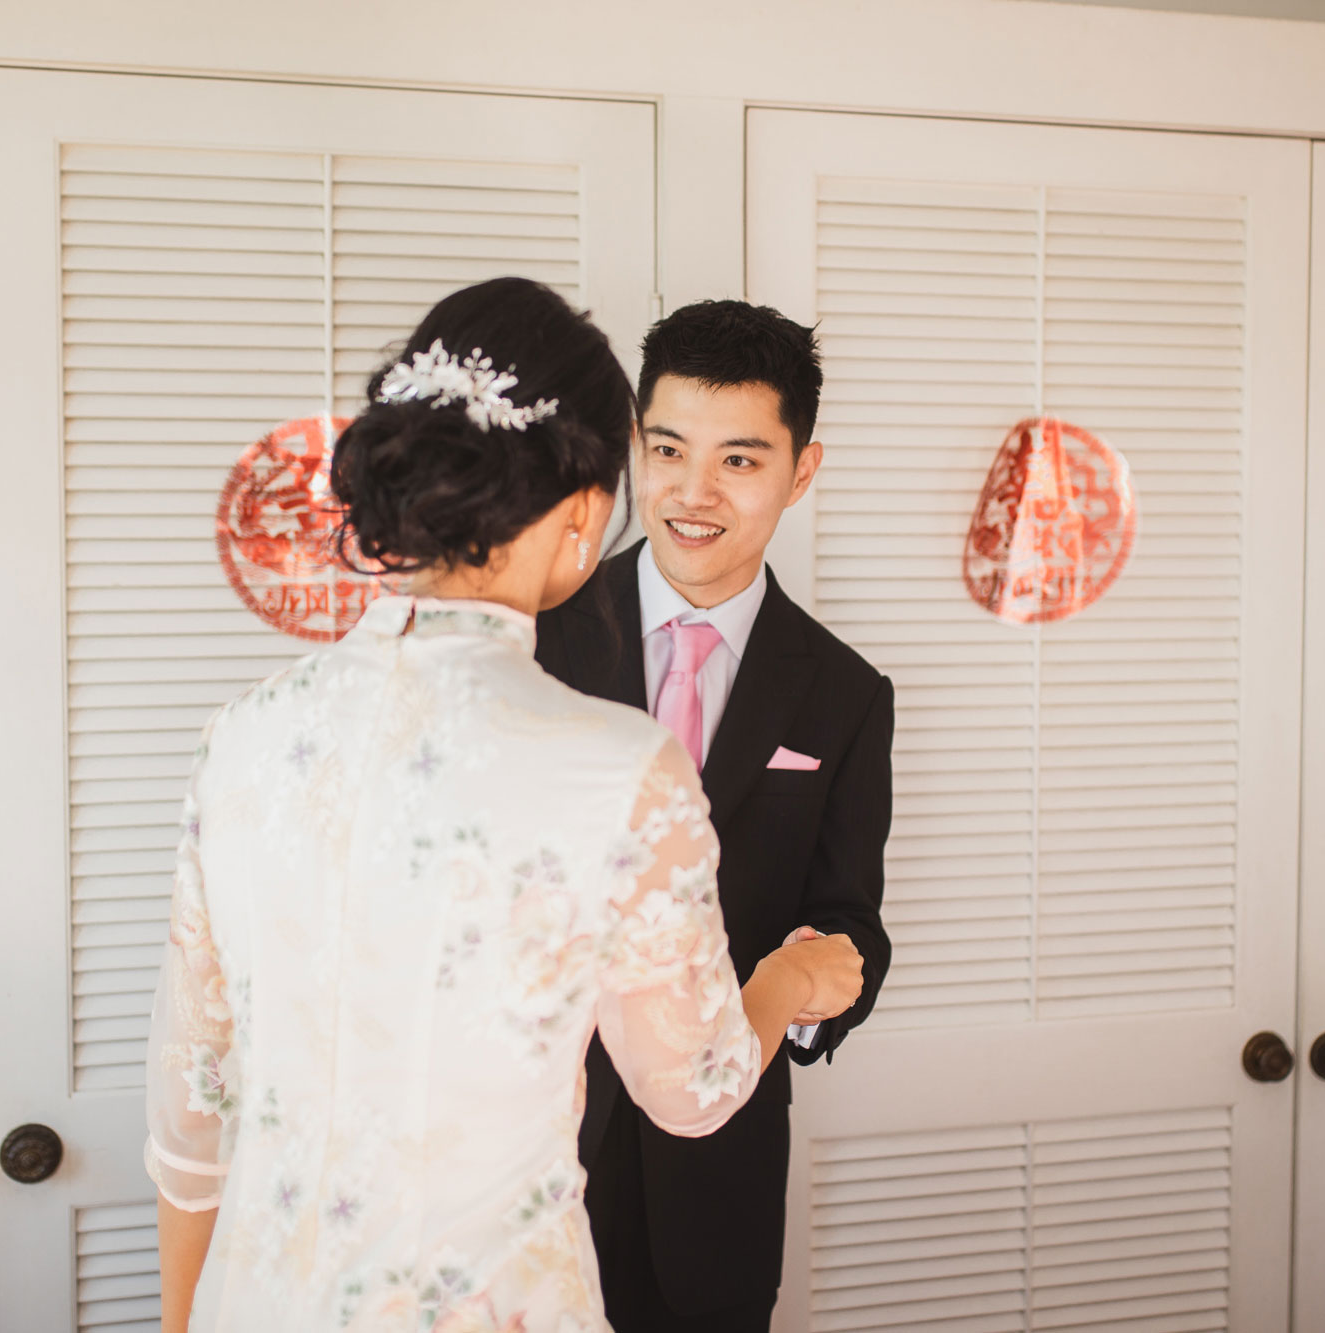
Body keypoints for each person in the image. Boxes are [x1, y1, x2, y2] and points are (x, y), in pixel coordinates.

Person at [144, 277, 866, 1332]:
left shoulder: (243, 735)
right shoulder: (619, 766)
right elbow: (697, 1086)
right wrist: (785, 978)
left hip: (251, 1302)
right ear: (581, 513)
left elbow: (189, 1113)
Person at [535, 300, 895, 1332]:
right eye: (666, 450)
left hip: (720, 1166)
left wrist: (810, 982)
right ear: (631, 450)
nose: (692, 494)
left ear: (801, 469)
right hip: (524, 1156)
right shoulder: (530, 638)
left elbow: (847, 915)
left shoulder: (843, 691)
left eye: (738, 460)